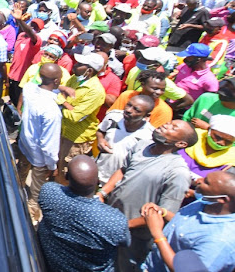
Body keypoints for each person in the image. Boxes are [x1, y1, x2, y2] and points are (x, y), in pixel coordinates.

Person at [99, 120, 199, 271]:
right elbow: (123, 170)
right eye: (169, 123)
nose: (166, 125)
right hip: (111, 219)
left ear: (181, 144)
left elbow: (162, 214)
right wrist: (103, 192)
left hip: (134, 237)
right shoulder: (142, 145)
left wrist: (124, 226)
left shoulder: (178, 172)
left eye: (173, 127)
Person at [38, 155, 130, 272]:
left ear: (66, 177)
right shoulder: (114, 221)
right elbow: (126, 242)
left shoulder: (49, 192)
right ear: (97, 182)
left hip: (51, 265)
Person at [141, 171, 235, 272]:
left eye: (206, 182)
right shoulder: (206, 202)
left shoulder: (220, 242)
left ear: (222, 199)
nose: (198, 180)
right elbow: (188, 227)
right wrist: (163, 212)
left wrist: (157, 234)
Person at [16, 63, 63, 223]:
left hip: (24, 145)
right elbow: (48, 145)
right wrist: (52, 166)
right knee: (35, 194)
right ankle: (28, 219)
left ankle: (14, 198)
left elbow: (47, 89)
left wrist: (63, 89)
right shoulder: (52, 111)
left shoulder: (29, 89)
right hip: (40, 159)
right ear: (56, 81)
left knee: (19, 177)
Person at [57, 52, 107, 184]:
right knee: (59, 163)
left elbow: (75, 116)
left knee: (68, 171)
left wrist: (61, 102)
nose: (75, 65)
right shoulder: (75, 78)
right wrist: (65, 103)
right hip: (62, 129)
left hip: (76, 138)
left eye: (80, 64)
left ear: (89, 71)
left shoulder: (95, 91)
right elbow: (62, 95)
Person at [96, 94, 156, 185]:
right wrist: (100, 140)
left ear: (146, 115)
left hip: (119, 182)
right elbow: (101, 130)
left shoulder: (148, 135)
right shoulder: (113, 116)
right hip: (98, 172)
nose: (128, 110)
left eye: (136, 110)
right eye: (128, 105)